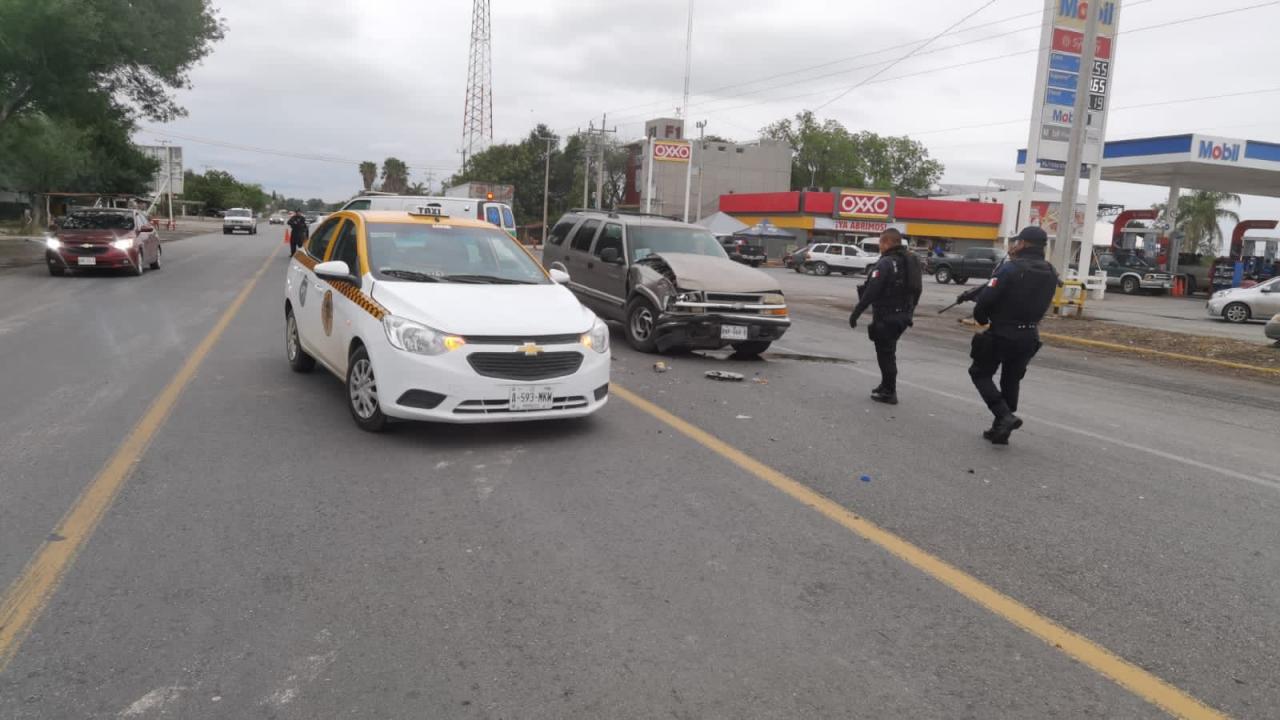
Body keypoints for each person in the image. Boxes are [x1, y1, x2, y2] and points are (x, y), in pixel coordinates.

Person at [966, 226, 1059, 445]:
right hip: (1029, 334)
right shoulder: (1050, 271)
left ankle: (1004, 416)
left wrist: (982, 320)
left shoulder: (1010, 268)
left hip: (1003, 331)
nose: (1014, 245)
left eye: (1017, 242)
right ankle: (1001, 430)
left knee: (979, 373)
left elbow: (985, 301)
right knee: (1011, 379)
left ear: (1023, 243)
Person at [848, 228, 922, 404]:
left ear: (887, 242)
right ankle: (885, 385)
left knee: (886, 354)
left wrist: (856, 313)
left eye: (880, 243)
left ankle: (890, 392)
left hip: (887, 315)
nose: (879, 246)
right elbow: (917, 289)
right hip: (902, 315)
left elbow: (871, 291)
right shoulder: (909, 261)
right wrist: (910, 313)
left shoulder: (886, 263)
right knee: (889, 351)